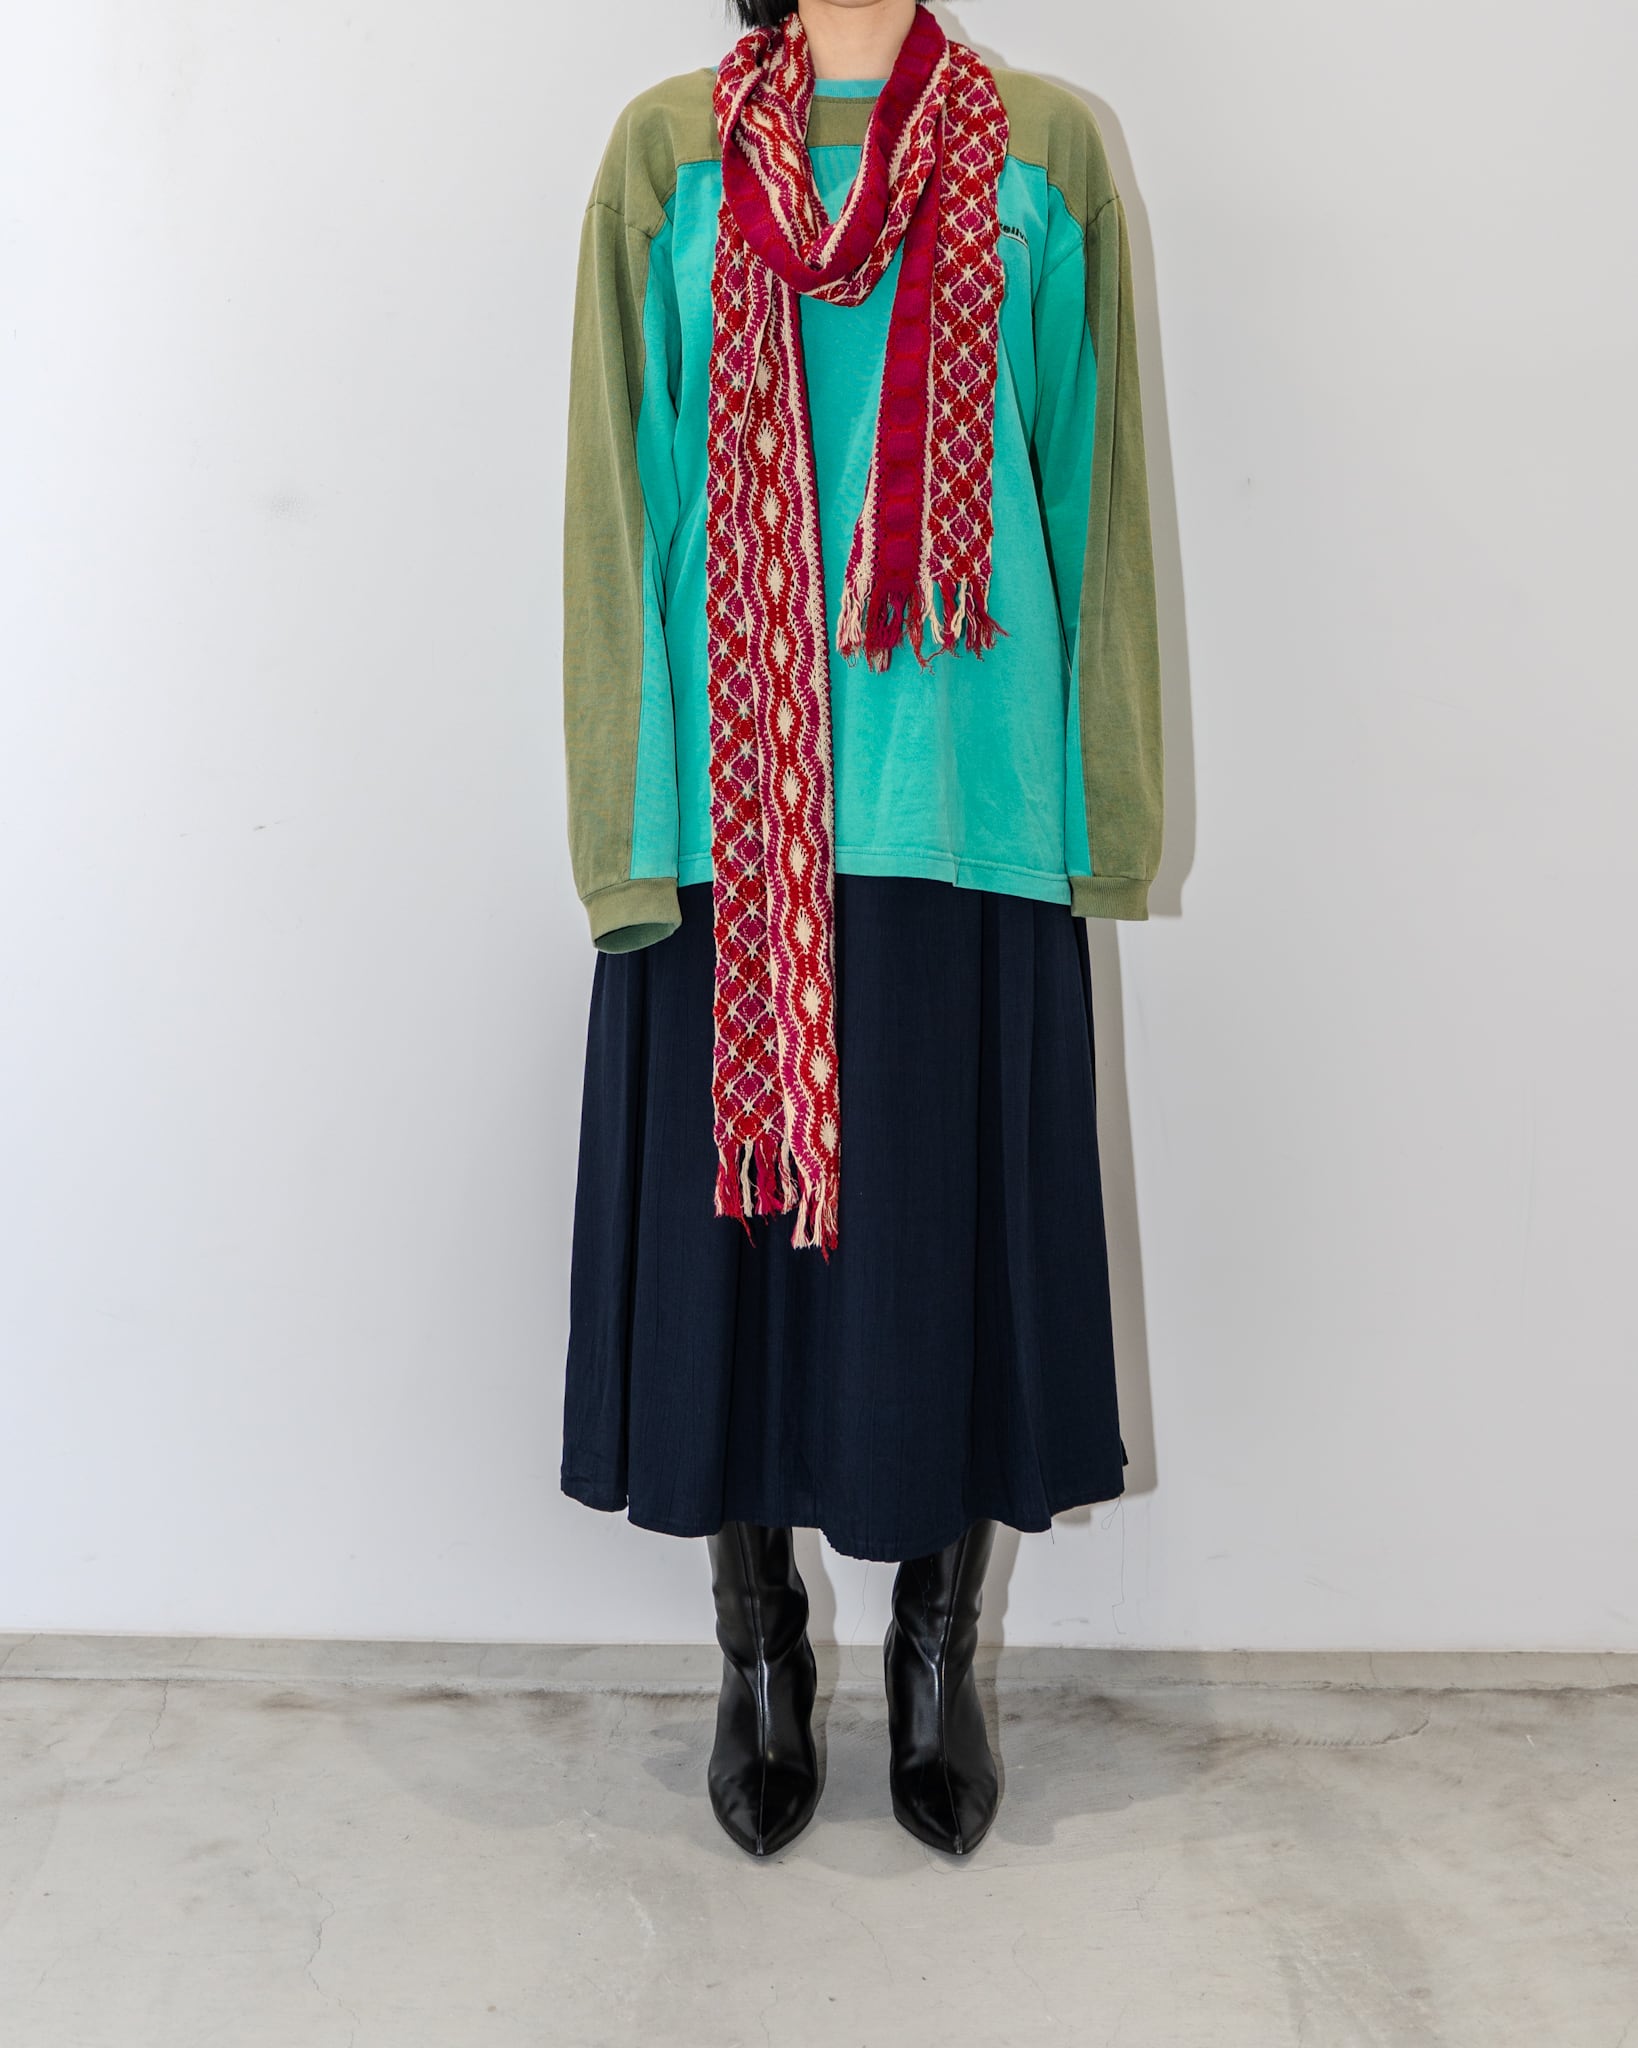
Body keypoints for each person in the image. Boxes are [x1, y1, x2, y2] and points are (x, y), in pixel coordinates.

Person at [559, 0, 1162, 1858]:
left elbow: (1092, 491)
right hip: (728, 799)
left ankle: (932, 1650)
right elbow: (616, 493)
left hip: (964, 796)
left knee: (945, 1246)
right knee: (727, 1262)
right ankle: (754, 1650)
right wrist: (616, 816)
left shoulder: (1043, 145)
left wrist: (1106, 803)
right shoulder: (665, 149)